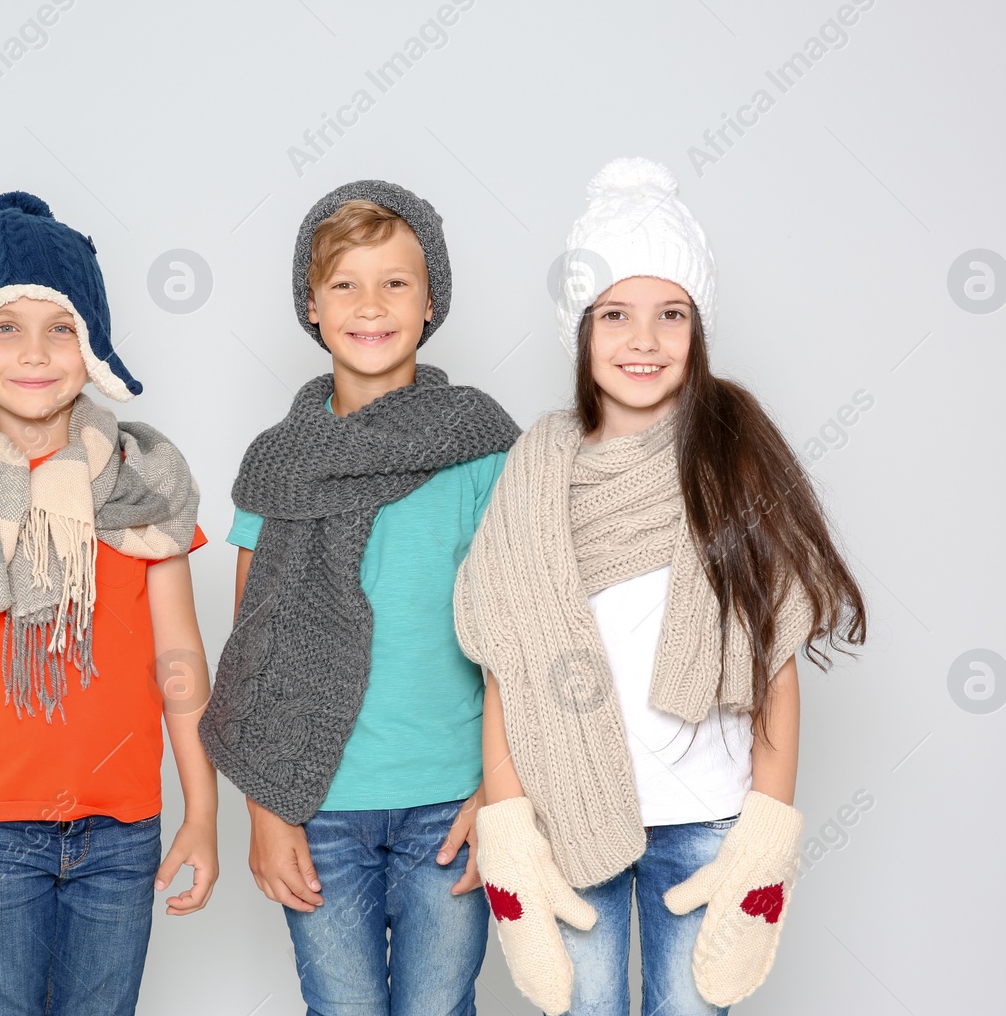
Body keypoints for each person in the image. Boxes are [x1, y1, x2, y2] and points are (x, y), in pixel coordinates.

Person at [456, 159, 867, 1016]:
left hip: (708, 820)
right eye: (616, 315)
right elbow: (510, 662)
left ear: (698, 327)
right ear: (581, 329)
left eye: (669, 314)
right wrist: (507, 825)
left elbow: (775, 659)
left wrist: (767, 827)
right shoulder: (537, 468)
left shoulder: (730, 461)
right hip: (568, 818)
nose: (643, 340)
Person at [0, 191, 218, 1016]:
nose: (35, 352)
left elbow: (180, 663)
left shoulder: (145, 493)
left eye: (60, 326)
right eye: (6, 327)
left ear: (93, 346)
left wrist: (203, 809)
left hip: (122, 832)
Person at [198, 180, 520, 1016]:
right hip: (320, 802)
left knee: (439, 1007)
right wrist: (266, 810)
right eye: (345, 283)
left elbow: (519, 641)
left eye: (396, 282)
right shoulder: (278, 461)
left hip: (451, 799)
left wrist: (500, 795)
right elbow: (252, 654)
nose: (370, 304)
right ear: (311, 304)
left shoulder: (481, 448)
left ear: (431, 300)